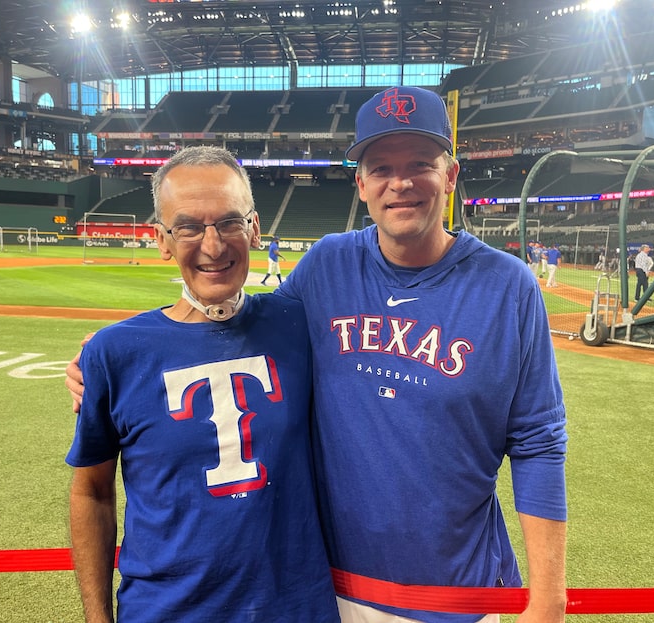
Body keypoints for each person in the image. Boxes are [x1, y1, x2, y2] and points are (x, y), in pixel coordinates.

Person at [68, 87, 568, 623]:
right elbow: (231, 312)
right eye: (380, 167)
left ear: (449, 176)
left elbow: (538, 439)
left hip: (460, 595)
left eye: (420, 163)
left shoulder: (508, 285)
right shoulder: (327, 265)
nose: (400, 182)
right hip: (333, 593)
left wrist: (549, 595)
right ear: (361, 184)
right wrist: (111, 357)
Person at [65, 145, 339, 623]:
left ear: (254, 228)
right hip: (165, 612)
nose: (212, 245)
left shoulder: (301, 324)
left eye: (229, 222)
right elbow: (92, 492)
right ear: (162, 239)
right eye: (189, 226)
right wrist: (96, 618)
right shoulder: (115, 352)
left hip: (296, 609)